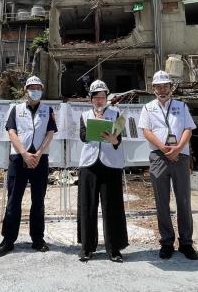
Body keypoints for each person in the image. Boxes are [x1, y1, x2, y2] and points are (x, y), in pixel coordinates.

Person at [138, 70, 198, 260]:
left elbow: (188, 128)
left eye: (165, 86)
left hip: (180, 156)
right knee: (161, 201)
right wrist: (164, 149)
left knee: (183, 200)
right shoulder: (148, 108)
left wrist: (178, 148)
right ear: (153, 89)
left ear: (171, 88)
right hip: (158, 156)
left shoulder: (181, 106)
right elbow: (146, 130)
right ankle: (166, 242)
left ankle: (186, 243)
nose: (162, 89)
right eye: (158, 86)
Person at [0, 76, 57, 257]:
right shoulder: (16, 109)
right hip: (18, 159)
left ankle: (37, 238)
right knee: (13, 201)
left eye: (38, 87)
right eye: (32, 87)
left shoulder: (47, 110)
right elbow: (11, 132)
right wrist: (24, 153)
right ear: (26, 89)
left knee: (38, 201)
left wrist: (37, 154)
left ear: (42, 90)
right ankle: (8, 240)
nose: (35, 90)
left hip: (40, 159)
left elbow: (50, 133)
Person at [77, 80, 128, 263]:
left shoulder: (117, 114)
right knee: (87, 206)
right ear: (90, 99)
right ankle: (86, 247)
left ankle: (114, 249)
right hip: (89, 164)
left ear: (107, 98)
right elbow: (83, 136)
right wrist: (96, 122)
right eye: (96, 97)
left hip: (111, 164)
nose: (99, 100)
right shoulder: (84, 115)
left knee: (112, 207)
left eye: (102, 97)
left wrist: (114, 139)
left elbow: (119, 140)